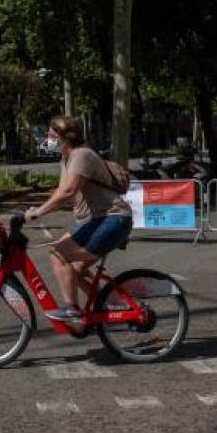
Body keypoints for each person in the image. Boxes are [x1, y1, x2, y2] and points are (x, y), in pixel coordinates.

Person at [23, 115, 134, 323]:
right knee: (75, 269)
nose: (48, 139)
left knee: (58, 255)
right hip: (93, 221)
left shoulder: (81, 155)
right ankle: (110, 305)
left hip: (111, 219)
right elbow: (60, 190)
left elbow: (69, 191)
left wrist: (39, 212)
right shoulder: (65, 158)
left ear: (66, 138)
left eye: (52, 135)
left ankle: (71, 309)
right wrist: (38, 208)